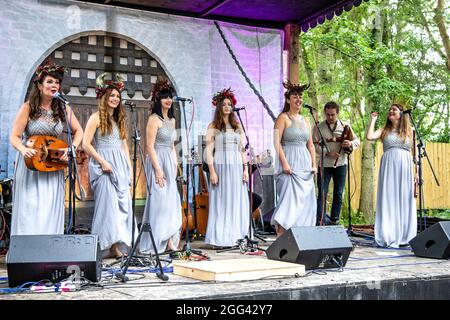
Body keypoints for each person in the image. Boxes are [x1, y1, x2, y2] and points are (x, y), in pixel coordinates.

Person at [9, 59, 83, 235]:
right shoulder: (29, 107)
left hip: (53, 164)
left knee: (50, 205)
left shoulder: (63, 107)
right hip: (31, 164)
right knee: (32, 205)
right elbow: (14, 136)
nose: (54, 85)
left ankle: (48, 250)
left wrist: (71, 148)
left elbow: (79, 131)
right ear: (40, 86)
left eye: (57, 82)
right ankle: (28, 250)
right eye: (50, 81)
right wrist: (23, 149)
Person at [83, 73, 136, 259]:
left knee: (123, 206)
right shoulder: (96, 117)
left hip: (120, 165)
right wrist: (103, 162)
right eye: (111, 95)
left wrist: (129, 169)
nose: (115, 99)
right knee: (108, 208)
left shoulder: (119, 119)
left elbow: (124, 146)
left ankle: (118, 244)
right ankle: (108, 246)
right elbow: (86, 144)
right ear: (104, 98)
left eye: (117, 96)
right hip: (103, 165)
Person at [366, 103, 417, 248]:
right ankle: (389, 234)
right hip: (389, 167)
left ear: (401, 114)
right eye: (389, 109)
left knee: (404, 199)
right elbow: (370, 136)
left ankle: (406, 236)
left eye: (394, 110)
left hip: (405, 168)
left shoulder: (410, 130)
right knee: (390, 198)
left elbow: (416, 154)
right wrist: (373, 120)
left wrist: (417, 173)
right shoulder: (384, 129)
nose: (390, 111)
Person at [140, 78, 182, 254]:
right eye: (164, 97)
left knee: (171, 202)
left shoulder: (171, 120)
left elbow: (172, 145)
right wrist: (158, 169)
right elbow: (149, 146)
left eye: (170, 97)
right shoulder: (153, 119)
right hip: (157, 159)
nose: (168, 100)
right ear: (158, 100)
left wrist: (175, 165)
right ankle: (157, 241)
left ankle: (170, 240)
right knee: (159, 202)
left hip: (168, 160)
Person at [204, 88, 250, 247]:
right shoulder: (213, 125)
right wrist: (212, 172)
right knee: (222, 201)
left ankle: (237, 234)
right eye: (223, 104)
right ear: (218, 107)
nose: (226, 107)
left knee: (236, 200)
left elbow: (242, 149)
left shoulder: (237, 126)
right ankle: (221, 235)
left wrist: (245, 169)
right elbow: (208, 151)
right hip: (221, 164)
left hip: (236, 164)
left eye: (229, 104)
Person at [272, 81, 317, 237]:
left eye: (300, 96)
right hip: (289, 162)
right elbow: (276, 142)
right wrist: (284, 163)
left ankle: (301, 236)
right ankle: (281, 236)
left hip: (304, 164)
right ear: (288, 99)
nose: (298, 99)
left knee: (305, 203)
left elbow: (310, 145)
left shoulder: (306, 120)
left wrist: (314, 165)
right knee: (288, 202)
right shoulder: (283, 117)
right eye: (295, 96)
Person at [312, 101, 360, 225]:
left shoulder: (345, 126)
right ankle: (320, 220)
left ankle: (335, 220)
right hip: (324, 165)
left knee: (339, 193)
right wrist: (327, 153)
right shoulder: (318, 128)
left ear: (337, 113)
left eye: (333, 114)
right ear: (324, 113)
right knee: (322, 193)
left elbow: (357, 141)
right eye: (328, 114)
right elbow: (313, 145)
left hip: (341, 165)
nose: (330, 117)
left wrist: (350, 144)